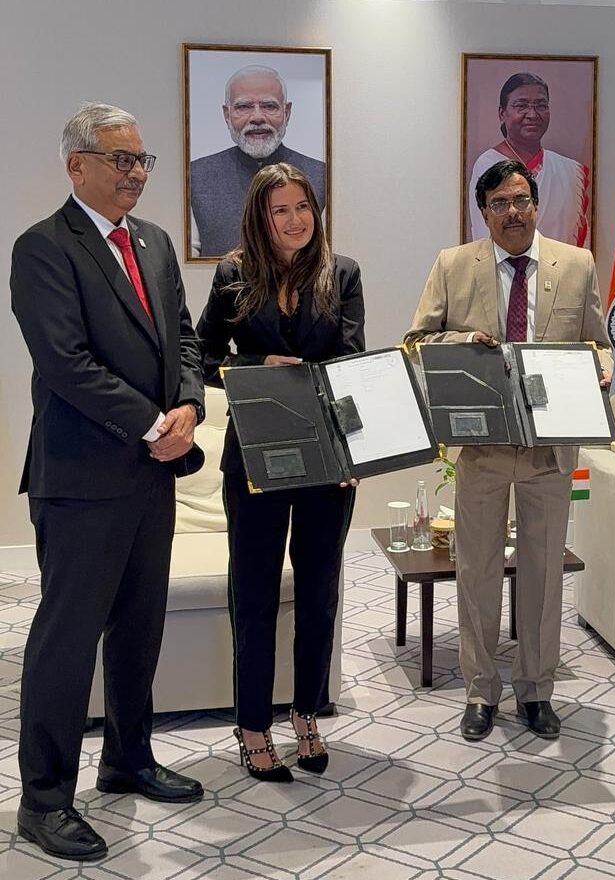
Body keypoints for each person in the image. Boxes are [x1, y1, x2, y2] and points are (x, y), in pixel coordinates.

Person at [10, 102, 206, 861]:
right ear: (77, 166)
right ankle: (44, 800)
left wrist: (188, 403)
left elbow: (183, 335)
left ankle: (128, 760)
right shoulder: (42, 249)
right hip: (83, 479)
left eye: (141, 161)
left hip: (149, 477)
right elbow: (66, 363)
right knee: (65, 643)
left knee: (138, 628)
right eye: (119, 160)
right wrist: (157, 426)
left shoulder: (153, 244)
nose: (134, 174)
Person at [406, 160, 612, 742]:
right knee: (477, 570)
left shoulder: (576, 264)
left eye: (522, 199)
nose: (513, 212)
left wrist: (599, 368)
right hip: (482, 445)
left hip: (549, 448)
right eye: (500, 203)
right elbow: (417, 341)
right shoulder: (453, 264)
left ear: (537, 204)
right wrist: (461, 342)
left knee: (545, 571)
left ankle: (537, 691)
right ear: (484, 210)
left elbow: (598, 343)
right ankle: (480, 692)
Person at [196, 163, 363, 782]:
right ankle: (252, 726)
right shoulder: (233, 275)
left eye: (303, 207)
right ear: (260, 219)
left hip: (325, 458)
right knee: (256, 592)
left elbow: (350, 364)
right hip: (257, 455)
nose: (295, 221)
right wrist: (255, 364)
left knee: (319, 592)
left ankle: (306, 712)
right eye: (280, 210)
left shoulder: (342, 274)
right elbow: (204, 354)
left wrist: (353, 454)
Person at [190, 64, 327, 257]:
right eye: (244, 107)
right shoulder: (194, 177)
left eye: (269, 106)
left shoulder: (322, 177)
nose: (257, 117)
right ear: (227, 114)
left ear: (287, 112)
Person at [469, 73, 591, 248]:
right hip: (505, 272)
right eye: (522, 105)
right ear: (502, 113)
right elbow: (486, 238)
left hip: (559, 273)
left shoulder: (570, 171)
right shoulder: (488, 165)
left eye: (541, 105)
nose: (533, 114)